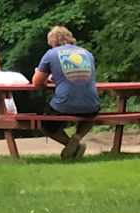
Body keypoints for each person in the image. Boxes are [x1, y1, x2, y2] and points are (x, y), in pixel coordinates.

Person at [33, 26, 100, 161]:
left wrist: (42, 75)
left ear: (52, 41)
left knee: (44, 124)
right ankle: (77, 137)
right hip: (92, 104)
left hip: (64, 104)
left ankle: (70, 143)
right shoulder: (87, 53)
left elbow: (37, 83)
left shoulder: (51, 54)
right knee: (90, 113)